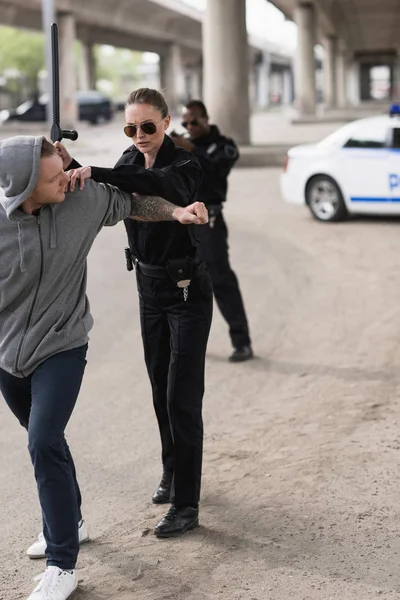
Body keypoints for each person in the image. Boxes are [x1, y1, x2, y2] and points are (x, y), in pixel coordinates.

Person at [0, 134, 207, 600]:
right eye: (54, 176)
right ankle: (70, 518)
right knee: (46, 440)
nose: (68, 178)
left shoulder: (80, 199)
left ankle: (62, 564)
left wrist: (176, 212)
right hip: (8, 353)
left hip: (62, 343)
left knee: (43, 439)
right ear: (26, 183)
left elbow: (135, 204)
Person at [60, 88, 214, 539]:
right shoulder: (127, 161)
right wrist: (67, 163)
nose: (140, 135)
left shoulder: (184, 162)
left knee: (181, 397)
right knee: (157, 387)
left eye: (148, 126)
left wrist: (100, 169)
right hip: (148, 286)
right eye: (132, 128)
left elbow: (160, 187)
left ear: (166, 123)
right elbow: (105, 187)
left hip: (186, 290)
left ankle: (187, 505)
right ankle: (172, 473)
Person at [171, 100, 253, 362]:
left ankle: (242, 342)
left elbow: (218, 171)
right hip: (182, 220)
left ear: (207, 118)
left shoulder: (224, 145)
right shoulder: (182, 145)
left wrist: (191, 149)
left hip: (210, 222)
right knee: (183, 282)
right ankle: (186, 342)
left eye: (195, 121)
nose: (190, 127)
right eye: (185, 123)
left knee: (220, 280)